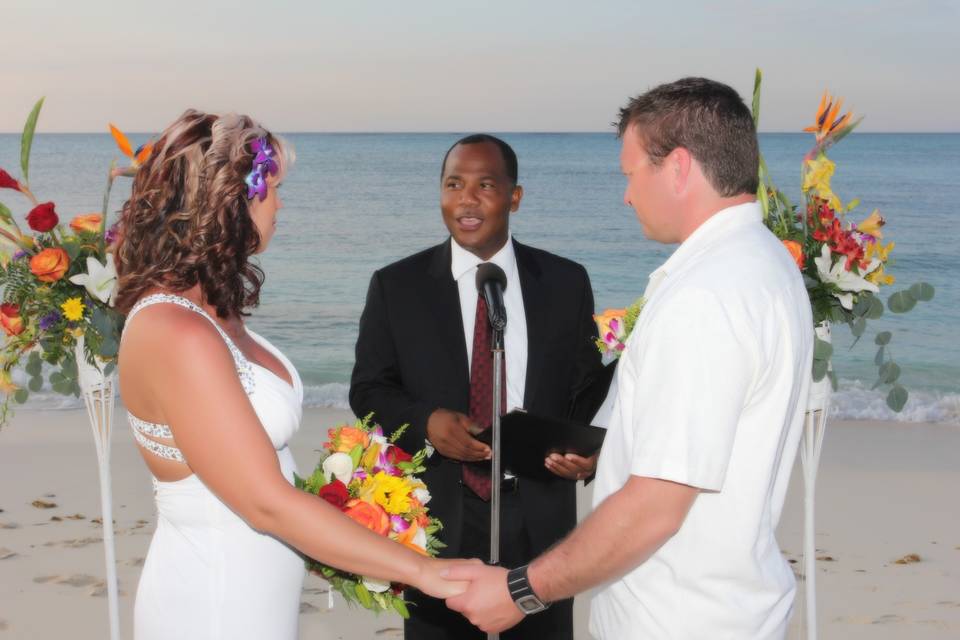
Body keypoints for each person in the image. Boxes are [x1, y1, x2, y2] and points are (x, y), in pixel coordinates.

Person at [445, 78, 815, 639]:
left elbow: (656, 504)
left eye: (631, 172)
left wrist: (521, 590)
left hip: (678, 619)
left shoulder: (706, 295)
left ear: (680, 167)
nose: (625, 195)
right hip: (729, 604)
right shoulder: (764, 263)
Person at [114, 110, 465, 640]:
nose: (281, 204)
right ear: (232, 200)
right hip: (213, 603)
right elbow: (265, 502)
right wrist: (423, 572)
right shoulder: (175, 332)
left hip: (257, 594)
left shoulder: (213, 308)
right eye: (273, 189)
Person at [349, 134, 606, 639]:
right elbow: (369, 391)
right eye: (453, 184)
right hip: (441, 515)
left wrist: (590, 453)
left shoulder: (565, 281)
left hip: (540, 519)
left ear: (515, 197)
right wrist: (425, 422)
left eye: (485, 185)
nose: (466, 199)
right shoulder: (396, 286)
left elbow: (587, 392)